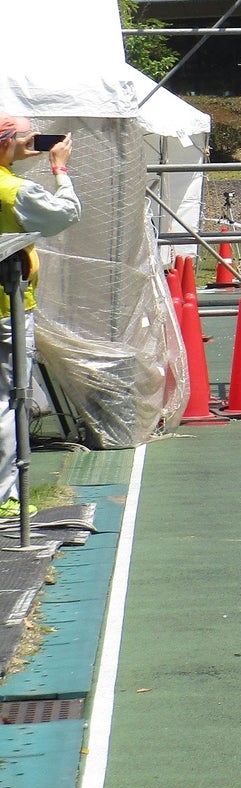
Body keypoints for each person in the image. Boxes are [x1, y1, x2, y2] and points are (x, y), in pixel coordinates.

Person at [0, 118, 80, 515]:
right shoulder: (12, 189)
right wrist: (59, 168)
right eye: (26, 136)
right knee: (8, 400)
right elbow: (63, 214)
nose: (33, 141)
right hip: (6, 311)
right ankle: (5, 497)